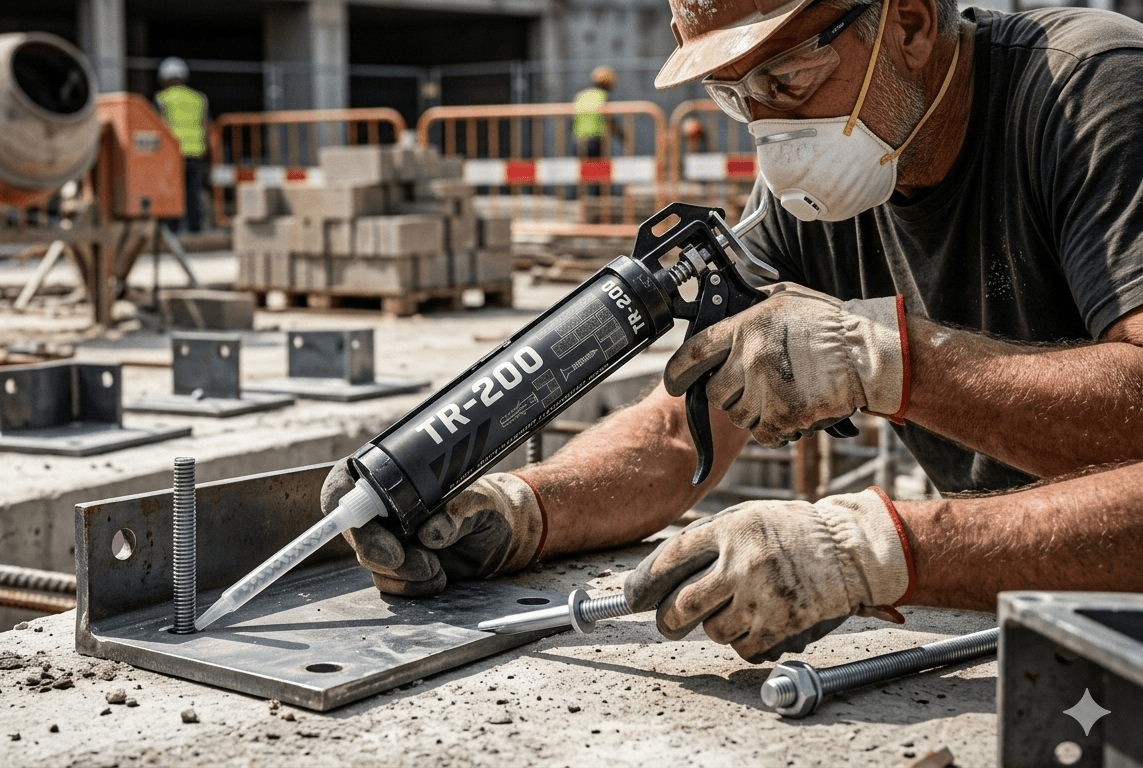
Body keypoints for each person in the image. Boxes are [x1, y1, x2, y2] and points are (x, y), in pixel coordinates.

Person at [324, 0, 1143, 664]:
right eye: (734, 97)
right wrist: (524, 512)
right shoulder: (823, 187)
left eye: (787, 80)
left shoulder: (1091, 93)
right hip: (1046, 604)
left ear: (912, 24)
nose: (768, 129)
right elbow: (679, 431)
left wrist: (891, 378)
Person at [155, 56, 209, 233]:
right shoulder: (199, 98)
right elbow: (204, 124)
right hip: (195, 152)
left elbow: (160, 124)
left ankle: (172, 229)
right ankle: (196, 228)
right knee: (193, 193)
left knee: (173, 192)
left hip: (173, 153)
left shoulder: (162, 98)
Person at [573, 66, 619, 159]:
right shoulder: (604, 96)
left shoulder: (581, 95)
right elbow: (610, 121)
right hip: (596, 141)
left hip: (578, 141)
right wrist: (623, 136)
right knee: (598, 171)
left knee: (582, 171)